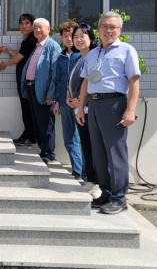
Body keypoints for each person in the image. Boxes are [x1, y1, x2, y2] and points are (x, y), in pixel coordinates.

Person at [76, 11, 141, 215]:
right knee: (99, 153)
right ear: (98, 29)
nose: (108, 30)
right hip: (94, 106)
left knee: (115, 153)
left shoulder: (126, 50)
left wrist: (130, 110)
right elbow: (86, 82)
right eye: (104, 26)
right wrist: (81, 108)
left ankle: (119, 198)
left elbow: (134, 82)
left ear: (120, 30)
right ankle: (106, 193)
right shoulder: (93, 54)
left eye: (113, 27)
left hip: (114, 104)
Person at [58, 23, 102, 199]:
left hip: (90, 107)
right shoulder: (79, 58)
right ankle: (90, 180)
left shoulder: (95, 56)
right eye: (75, 36)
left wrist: (79, 100)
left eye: (81, 36)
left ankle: (98, 183)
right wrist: (70, 97)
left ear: (91, 37)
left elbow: (95, 80)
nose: (77, 39)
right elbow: (73, 82)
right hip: (79, 108)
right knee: (86, 145)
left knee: (94, 147)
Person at [20, 18, 62, 163]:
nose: (37, 30)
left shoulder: (53, 46)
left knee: (46, 123)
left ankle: (48, 154)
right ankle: (42, 150)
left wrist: (51, 94)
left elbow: (56, 73)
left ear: (48, 29)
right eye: (36, 27)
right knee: (37, 122)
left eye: (41, 27)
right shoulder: (37, 46)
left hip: (44, 92)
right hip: (32, 88)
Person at [0, 13, 37, 146]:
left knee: (27, 108)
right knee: (26, 108)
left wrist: (5, 64)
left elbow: (17, 59)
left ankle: (30, 136)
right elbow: (20, 56)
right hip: (24, 80)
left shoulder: (32, 39)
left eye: (27, 23)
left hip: (28, 81)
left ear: (33, 25)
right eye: (21, 23)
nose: (24, 26)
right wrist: (8, 49)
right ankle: (28, 134)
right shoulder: (27, 40)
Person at [53, 21, 85, 180]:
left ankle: (87, 173)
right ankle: (78, 171)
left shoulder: (83, 55)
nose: (68, 38)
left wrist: (80, 100)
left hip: (81, 103)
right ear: (61, 38)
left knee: (84, 139)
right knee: (69, 139)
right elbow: (58, 81)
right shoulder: (60, 58)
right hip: (64, 103)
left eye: (71, 35)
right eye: (65, 35)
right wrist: (57, 101)